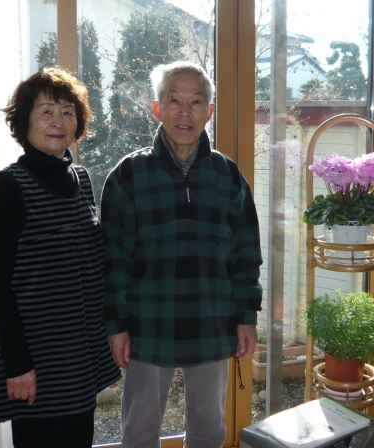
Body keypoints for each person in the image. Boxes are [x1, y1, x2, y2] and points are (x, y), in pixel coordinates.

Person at [101, 61, 263, 448]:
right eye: (174, 100)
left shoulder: (228, 176)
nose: (185, 112)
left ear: (210, 111)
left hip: (212, 321)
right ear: (157, 109)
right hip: (146, 326)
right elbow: (112, 260)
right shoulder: (128, 175)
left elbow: (247, 254)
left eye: (196, 102)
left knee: (208, 430)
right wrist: (116, 325)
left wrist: (247, 316)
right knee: (139, 430)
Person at [0, 67, 120, 448]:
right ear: (24, 122)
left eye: (67, 112)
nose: (58, 122)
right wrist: (18, 364)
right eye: (46, 112)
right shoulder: (9, 186)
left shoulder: (82, 180)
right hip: (37, 364)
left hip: (80, 360)